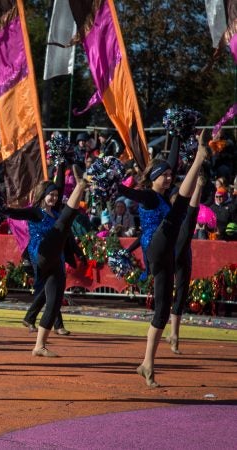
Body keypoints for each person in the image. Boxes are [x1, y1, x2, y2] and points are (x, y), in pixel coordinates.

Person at [117, 130, 208, 387]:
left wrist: (176, 135)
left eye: (170, 174)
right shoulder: (149, 195)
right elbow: (129, 193)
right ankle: (200, 158)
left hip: (166, 254)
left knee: (162, 311)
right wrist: (114, 183)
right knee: (180, 208)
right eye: (164, 175)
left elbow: (173, 159)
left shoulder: (161, 195)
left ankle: (147, 363)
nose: (169, 177)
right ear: (154, 179)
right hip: (154, 249)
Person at [21, 162, 77, 337]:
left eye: (55, 195)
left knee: (52, 289)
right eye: (50, 195)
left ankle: (31, 318)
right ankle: (55, 324)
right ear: (43, 195)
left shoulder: (58, 214)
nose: (53, 198)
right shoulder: (36, 212)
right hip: (39, 254)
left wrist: (61, 164)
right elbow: (18, 214)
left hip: (56, 254)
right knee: (51, 289)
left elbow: (67, 235)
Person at [168, 177, 204, 354]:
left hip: (182, 255)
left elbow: (193, 209)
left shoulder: (187, 214)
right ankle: (166, 332)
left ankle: (174, 334)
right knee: (165, 295)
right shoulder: (168, 212)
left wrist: (198, 186)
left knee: (180, 295)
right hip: (168, 254)